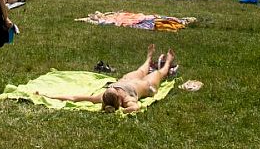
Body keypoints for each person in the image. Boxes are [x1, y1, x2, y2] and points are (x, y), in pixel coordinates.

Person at [44, 45, 178, 113]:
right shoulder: (127, 100)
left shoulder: (102, 96)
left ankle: (149, 57)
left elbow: (75, 97)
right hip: (147, 85)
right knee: (159, 73)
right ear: (119, 100)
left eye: (111, 88)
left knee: (140, 70)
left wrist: (49, 95)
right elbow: (135, 107)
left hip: (126, 80)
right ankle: (168, 61)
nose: (112, 87)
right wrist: (121, 110)